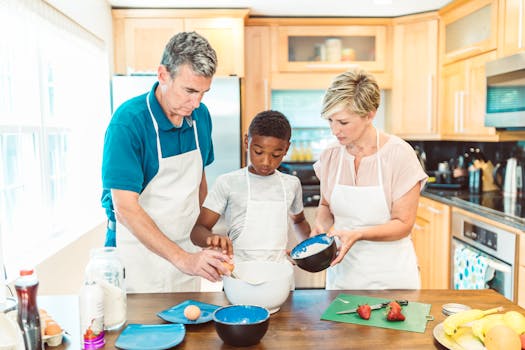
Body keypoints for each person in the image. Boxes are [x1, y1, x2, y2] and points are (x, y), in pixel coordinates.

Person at [101, 31, 231, 293]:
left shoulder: (201, 117)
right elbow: (125, 209)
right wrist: (183, 259)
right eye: (189, 91)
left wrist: (204, 234)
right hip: (138, 263)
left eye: (204, 93)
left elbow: (199, 182)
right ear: (163, 75)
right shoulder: (129, 123)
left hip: (186, 257)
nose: (196, 103)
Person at [312, 67, 428, 290]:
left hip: (392, 278)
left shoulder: (399, 154)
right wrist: (321, 227)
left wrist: (358, 234)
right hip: (343, 278)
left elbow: (403, 224)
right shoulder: (331, 156)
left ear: (370, 114)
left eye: (343, 122)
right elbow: (326, 205)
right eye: (330, 121)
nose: (335, 130)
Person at [190, 110, 310, 264]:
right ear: (247, 142)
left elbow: (298, 221)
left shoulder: (291, 184)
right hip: (238, 274)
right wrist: (212, 239)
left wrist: (309, 248)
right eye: (258, 152)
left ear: (286, 148)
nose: (266, 162)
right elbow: (197, 230)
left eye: (276, 155)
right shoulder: (228, 182)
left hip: (279, 274)